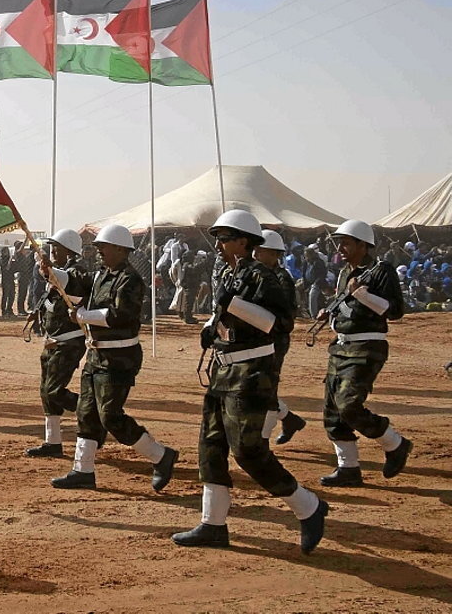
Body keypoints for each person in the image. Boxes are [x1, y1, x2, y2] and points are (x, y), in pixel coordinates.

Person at [173, 212, 327, 553]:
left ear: (244, 240)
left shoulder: (262, 276)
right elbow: (228, 313)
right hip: (223, 371)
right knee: (210, 448)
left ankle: (308, 506)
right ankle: (213, 524)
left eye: (225, 238)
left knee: (248, 451)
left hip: (250, 373)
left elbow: (281, 324)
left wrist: (235, 305)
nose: (218, 244)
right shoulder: (231, 272)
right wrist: (213, 326)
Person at [52, 224, 178, 492]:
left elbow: (121, 315)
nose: (99, 252)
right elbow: (79, 288)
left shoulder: (130, 280)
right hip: (97, 354)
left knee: (110, 416)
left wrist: (84, 316)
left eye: (103, 248)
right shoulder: (102, 275)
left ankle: (160, 455)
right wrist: (54, 275)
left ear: (122, 250)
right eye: (97, 248)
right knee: (86, 413)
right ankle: (82, 470)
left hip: (119, 357)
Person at [316, 220, 412, 488]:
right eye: (339, 242)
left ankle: (395, 443)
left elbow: (394, 311)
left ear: (363, 245)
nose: (340, 247)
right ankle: (348, 468)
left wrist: (361, 293)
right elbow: (348, 307)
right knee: (333, 412)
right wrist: (330, 312)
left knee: (349, 405)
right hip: (340, 347)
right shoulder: (346, 273)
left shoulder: (381, 271)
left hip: (367, 346)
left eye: (346, 242)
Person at [27, 229, 92, 458]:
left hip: (69, 342)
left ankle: (91, 413)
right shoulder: (61, 272)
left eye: (58, 248)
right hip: (52, 341)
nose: (53, 251)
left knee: (54, 391)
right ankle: (52, 441)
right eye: (52, 248)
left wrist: (48, 269)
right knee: (46, 392)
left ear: (71, 251)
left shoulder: (78, 273)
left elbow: (67, 283)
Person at [255, 230, 307, 445]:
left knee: (267, 388)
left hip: (274, 339)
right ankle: (289, 419)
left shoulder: (281, 278)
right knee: (260, 387)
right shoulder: (257, 273)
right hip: (258, 339)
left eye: (261, 250)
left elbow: (284, 315)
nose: (256, 253)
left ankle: (262, 439)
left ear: (274, 254)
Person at [0, 245, 14, 317]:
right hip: (5, 279)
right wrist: (10, 260)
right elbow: (7, 268)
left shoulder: (9, 258)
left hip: (11, 279)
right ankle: (3, 310)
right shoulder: (2, 260)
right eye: (6, 251)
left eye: (8, 251)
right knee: (6, 295)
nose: (7, 253)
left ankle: (9, 309)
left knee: (12, 295)